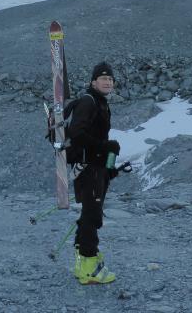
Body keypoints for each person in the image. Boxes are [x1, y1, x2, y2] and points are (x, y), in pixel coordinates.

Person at [67, 61, 122, 285]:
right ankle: (90, 268)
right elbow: (76, 133)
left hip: (95, 168)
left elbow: (95, 139)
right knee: (92, 216)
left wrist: (109, 168)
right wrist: (104, 148)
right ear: (93, 82)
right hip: (87, 168)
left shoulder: (99, 103)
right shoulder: (89, 102)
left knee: (91, 213)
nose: (107, 82)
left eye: (110, 79)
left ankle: (83, 261)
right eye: (103, 79)